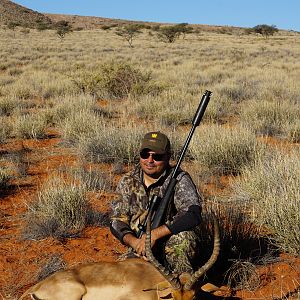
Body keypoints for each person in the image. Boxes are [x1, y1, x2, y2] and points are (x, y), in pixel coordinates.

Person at [110, 131, 202, 274]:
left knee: (184, 239)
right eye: (145, 155)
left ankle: (183, 283)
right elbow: (116, 221)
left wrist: (155, 234)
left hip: (168, 243)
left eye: (157, 156)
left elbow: (193, 213)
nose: (150, 160)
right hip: (140, 247)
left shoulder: (179, 179)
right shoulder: (127, 181)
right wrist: (135, 243)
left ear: (168, 157)